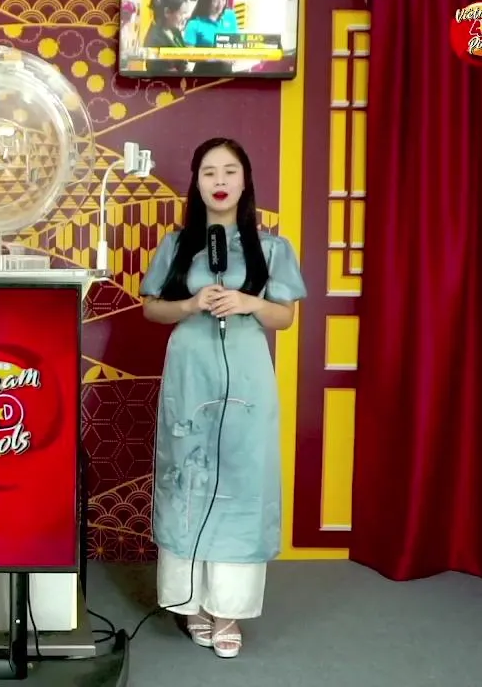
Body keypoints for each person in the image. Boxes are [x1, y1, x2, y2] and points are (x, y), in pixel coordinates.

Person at [139, 137, 307, 659]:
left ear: (245, 180)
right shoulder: (176, 244)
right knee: (188, 476)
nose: (219, 180)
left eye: (229, 170)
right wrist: (190, 304)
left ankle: (228, 609)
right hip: (190, 371)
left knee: (241, 478)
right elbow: (151, 309)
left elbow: (285, 317)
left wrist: (248, 302)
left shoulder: (272, 247)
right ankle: (189, 601)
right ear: (196, 182)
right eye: (209, 171)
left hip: (247, 376)